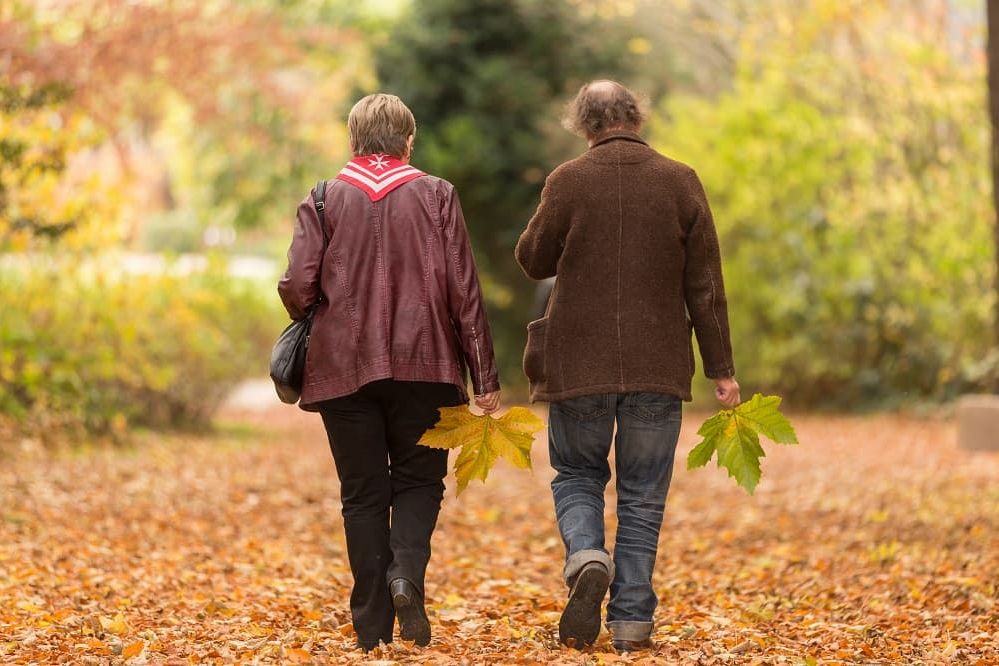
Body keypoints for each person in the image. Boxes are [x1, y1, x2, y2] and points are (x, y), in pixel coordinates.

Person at [515, 80, 739, 653]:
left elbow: (532, 259)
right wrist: (722, 369)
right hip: (657, 366)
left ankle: (588, 555)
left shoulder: (567, 180)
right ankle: (633, 622)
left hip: (577, 364)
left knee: (577, 475)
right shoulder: (680, 181)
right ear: (636, 117)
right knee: (643, 495)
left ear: (584, 124)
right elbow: (705, 286)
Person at [278, 93, 501, 651]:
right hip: (427, 366)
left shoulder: (325, 198)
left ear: (354, 139)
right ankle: (407, 573)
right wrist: (486, 376)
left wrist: (318, 311)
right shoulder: (438, 195)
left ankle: (371, 627)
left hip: (342, 369)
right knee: (421, 481)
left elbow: (298, 285)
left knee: (362, 494)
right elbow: (464, 293)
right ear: (408, 140)